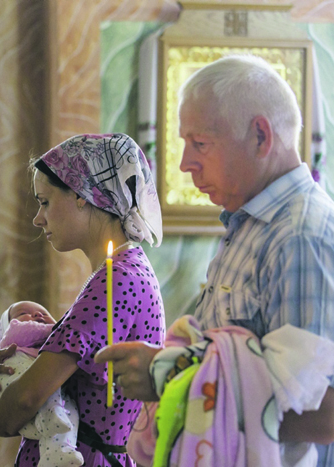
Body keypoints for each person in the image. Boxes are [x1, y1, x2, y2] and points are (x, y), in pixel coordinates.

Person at [94, 55, 334, 466]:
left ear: (260, 135)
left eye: (200, 143)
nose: (186, 163)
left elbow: (322, 413)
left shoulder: (299, 234)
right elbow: (227, 358)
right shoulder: (251, 222)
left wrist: (167, 375)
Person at [0, 133, 166, 467]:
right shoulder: (118, 272)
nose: (38, 218)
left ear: (82, 195)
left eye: (45, 201)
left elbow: (27, 398)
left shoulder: (118, 279)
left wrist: (1, 417)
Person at [0, 301, 84, 467]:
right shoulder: (14, 336)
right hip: (13, 378)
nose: (38, 315)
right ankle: (54, 418)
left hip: (38, 414)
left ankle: (58, 451)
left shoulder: (49, 349)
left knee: (69, 409)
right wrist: (64, 329)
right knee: (47, 388)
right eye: (23, 313)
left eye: (44, 312)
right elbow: (24, 331)